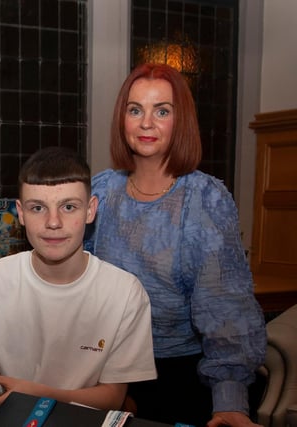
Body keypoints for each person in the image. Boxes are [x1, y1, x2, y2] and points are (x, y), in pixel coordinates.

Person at [85, 63, 267, 427]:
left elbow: (225, 309)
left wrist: (229, 399)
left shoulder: (206, 198)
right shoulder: (100, 190)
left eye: (162, 111)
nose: (146, 123)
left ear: (180, 120)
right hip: (101, 369)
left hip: (179, 376)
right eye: (135, 109)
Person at [0, 146, 157, 420]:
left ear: (90, 210)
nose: (53, 222)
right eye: (38, 208)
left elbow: (113, 396)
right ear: (20, 213)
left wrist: (35, 395)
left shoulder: (125, 293)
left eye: (69, 207)